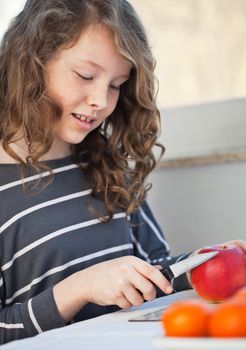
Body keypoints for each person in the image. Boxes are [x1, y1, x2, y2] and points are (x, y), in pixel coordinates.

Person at [0, 0, 245, 345]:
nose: (101, 99)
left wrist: (201, 264)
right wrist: (80, 287)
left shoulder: (107, 166)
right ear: (31, 62)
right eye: (85, 75)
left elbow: (154, 271)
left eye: (116, 84)